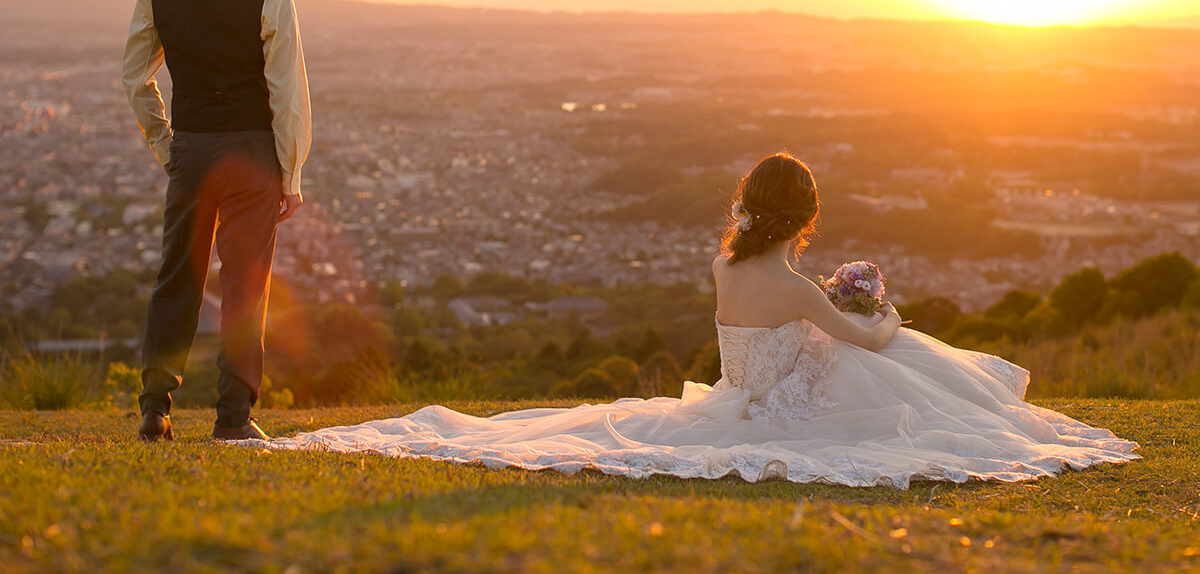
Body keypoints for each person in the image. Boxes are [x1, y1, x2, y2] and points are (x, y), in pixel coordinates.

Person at [234, 153, 1136, 487]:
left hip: (729, 400)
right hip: (777, 407)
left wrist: (828, 301)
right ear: (805, 215)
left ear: (750, 208)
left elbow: (776, 317)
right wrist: (883, 308)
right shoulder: (799, 291)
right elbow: (863, 338)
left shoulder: (725, 264)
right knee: (899, 361)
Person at [122, 0, 312, 441]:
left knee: (177, 274)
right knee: (246, 285)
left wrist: (167, 144)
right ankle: (233, 417)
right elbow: (287, 93)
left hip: (194, 148)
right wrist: (291, 172)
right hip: (254, 153)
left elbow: (136, 77)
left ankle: (155, 407)